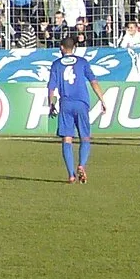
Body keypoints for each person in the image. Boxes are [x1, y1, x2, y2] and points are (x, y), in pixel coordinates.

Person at [47, 36, 105, 184]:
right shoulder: (82, 62)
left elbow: (51, 87)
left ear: (61, 48)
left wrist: (51, 104)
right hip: (82, 103)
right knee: (85, 137)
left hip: (66, 103)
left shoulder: (56, 64)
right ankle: (82, 165)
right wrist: (102, 100)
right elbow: (93, 81)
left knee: (67, 138)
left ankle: (71, 175)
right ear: (74, 48)